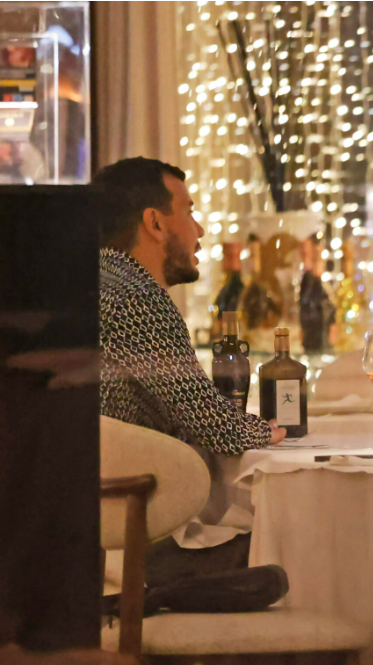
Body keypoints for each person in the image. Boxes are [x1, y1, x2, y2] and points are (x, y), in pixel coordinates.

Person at [94, 157, 287, 615]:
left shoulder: (88, 282)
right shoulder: (136, 296)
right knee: (295, 541)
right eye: (189, 211)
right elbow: (212, 423)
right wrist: (268, 431)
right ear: (156, 223)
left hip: (77, 528)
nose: (198, 230)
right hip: (132, 537)